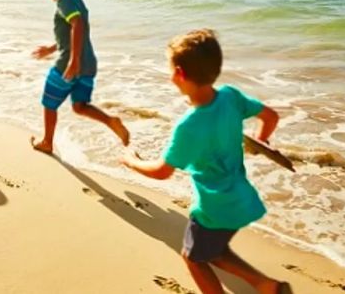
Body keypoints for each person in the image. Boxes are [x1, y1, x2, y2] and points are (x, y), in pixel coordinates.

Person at [121, 29, 291, 294]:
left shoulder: (189, 126)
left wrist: (131, 161)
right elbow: (270, 116)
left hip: (212, 208)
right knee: (215, 252)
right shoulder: (230, 96)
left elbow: (161, 172)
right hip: (241, 200)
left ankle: (267, 286)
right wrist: (261, 141)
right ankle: (267, 286)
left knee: (193, 259)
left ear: (179, 74)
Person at [31, 0, 129, 154]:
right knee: (80, 106)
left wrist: (73, 61)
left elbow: (77, 25)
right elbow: (73, 32)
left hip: (69, 63)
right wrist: (50, 49)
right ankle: (111, 121)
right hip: (88, 63)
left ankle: (47, 142)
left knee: (49, 102)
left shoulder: (63, 1)